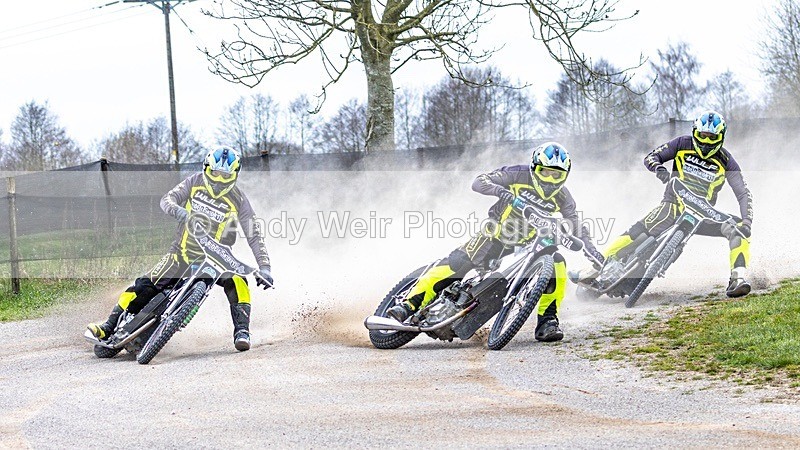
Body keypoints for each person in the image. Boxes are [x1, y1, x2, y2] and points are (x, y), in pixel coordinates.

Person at [386, 142, 604, 342]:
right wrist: (503, 192)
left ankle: (547, 321)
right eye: (545, 172)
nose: (549, 180)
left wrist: (592, 250)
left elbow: (575, 223)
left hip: (528, 245)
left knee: (557, 262)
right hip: (496, 234)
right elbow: (479, 181)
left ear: (565, 175)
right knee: (457, 265)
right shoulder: (518, 174)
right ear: (534, 167)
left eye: (556, 175)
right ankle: (408, 305)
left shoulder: (563, 197)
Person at [87, 146, 274, 351]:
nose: (219, 180)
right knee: (143, 285)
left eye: (225, 175)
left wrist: (264, 267)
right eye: (215, 173)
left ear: (235, 175)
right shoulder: (194, 182)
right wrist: (178, 211)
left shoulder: (239, 199)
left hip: (217, 259)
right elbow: (166, 199)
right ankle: (109, 325)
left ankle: (242, 332)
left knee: (239, 282)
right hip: (181, 254)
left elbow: (254, 232)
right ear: (206, 168)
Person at [584, 110, 753, 297]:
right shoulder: (681, 143)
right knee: (637, 232)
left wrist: (747, 222)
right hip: (673, 204)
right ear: (695, 132)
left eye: (711, 137)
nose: (705, 142)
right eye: (702, 136)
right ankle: (595, 268)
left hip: (703, 214)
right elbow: (650, 157)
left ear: (720, 137)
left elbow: (743, 193)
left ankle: (738, 278)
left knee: (737, 228)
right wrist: (659, 169)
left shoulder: (727, 161)